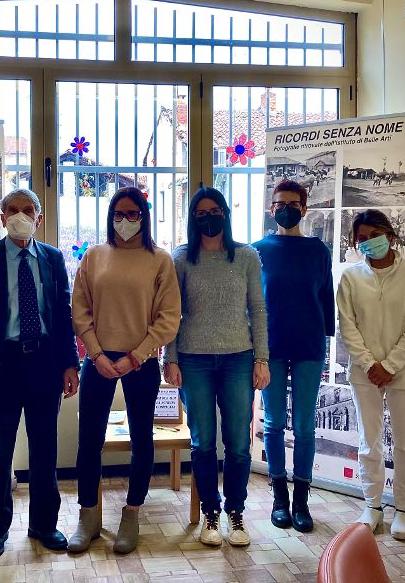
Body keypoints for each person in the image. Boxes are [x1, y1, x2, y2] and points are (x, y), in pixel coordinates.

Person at [0, 188, 80, 558]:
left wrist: (70, 363)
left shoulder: (53, 258)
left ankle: (44, 525)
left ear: (39, 219)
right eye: (12, 210)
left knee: (45, 450)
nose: (20, 216)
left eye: (28, 210)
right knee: (0, 453)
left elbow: (62, 314)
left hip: (44, 364)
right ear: (2, 218)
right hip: (0, 367)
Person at [69, 187, 180, 554]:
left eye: (133, 213)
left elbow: (169, 317)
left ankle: (132, 513)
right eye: (119, 213)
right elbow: (80, 309)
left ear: (144, 217)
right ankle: (88, 514)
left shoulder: (160, 260)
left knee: (141, 439)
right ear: (110, 217)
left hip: (141, 362)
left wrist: (136, 356)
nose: (125, 220)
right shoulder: (94, 256)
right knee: (89, 439)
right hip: (98, 360)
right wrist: (97, 354)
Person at [163, 187, 270, 548]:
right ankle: (210, 511)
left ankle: (236, 512)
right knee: (202, 441)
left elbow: (258, 309)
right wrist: (171, 358)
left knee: (238, 442)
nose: (209, 218)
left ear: (225, 213)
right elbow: (172, 314)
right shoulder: (181, 259)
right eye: (201, 213)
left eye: (215, 211)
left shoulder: (246, 256)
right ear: (193, 219)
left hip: (238, 358)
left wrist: (261, 358)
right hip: (193, 360)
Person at [337, 209, 405, 541]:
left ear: (390, 235)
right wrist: (369, 364)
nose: (369, 242)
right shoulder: (350, 278)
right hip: (364, 374)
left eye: (374, 235)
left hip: (404, 372)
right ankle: (372, 505)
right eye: (361, 238)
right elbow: (348, 327)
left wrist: (389, 366)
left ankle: (404, 507)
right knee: (369, 442)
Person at [253, 180, 334, 533]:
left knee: (303, 426)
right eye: (279, 204)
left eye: (292, 204)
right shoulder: (257, 250)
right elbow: (252, 303)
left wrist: (326, 335)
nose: (285, 209)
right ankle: (279, 499)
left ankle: (301, 501)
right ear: (272, 209)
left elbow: (326, 297)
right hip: (270, 346)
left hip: (308, 345)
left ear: (304, 208)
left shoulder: (318, 251)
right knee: (272, 423)